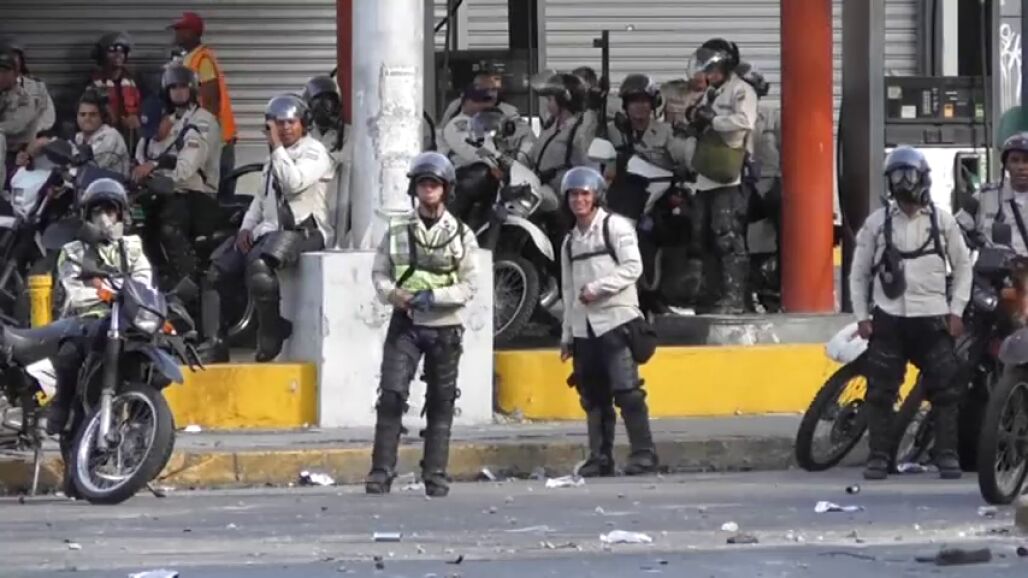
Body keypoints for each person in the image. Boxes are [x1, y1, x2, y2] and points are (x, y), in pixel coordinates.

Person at [849, 146, 972, 481]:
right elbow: (859, 273)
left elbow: (963, 267)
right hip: (889, 320)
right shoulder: (877, 223)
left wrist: (957, 310)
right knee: (880, 391)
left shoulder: (943, 221)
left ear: (924, 178)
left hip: (933, 320)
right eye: (897, 176)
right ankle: (879, 457)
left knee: (946, 390)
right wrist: (862, 316)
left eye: (910, 174)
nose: (904, 183)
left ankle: (946, 455)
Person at [366, 152, 479, 497]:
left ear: (446, 190)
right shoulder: (397, 230)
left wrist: (436, 297)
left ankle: (436, 474)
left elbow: (470, 285)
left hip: (445, 326)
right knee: (391, 395)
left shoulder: (461, 234)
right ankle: (381, 472)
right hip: (406, 322)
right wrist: (394, 295)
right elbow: (379, 272)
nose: (428, 190)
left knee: (441, 402)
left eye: (434, 184)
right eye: (422, 184)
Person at [200, 94, 333, 363]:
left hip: (305, 230)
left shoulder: (314, 151)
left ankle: (271, 334)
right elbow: (260, 200)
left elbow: (293, 183)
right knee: (216, 271)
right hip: (270, 231)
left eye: (290, 122)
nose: (285, 128)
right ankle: (216, 343)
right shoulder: (275, 158)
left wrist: (277, 149)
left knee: (259, 266)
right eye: (278, 123)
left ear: (303, 123)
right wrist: (246, 229)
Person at [559, 166, 659, 477]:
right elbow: (569, 290)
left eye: (584, 194)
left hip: (616, 321)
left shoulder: (614, 226)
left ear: (596, 196)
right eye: (573, 195)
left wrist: (599, 288)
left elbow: (633, 267)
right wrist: (567, 335)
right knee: (592, 397)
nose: (578, 200)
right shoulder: (570, 241)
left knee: (627, 391)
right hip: (585, 328)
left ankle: (643, 454)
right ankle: (600, 458)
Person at [45, 178, 153, 435]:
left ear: (121, 214)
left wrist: (103, 286)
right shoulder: (73, 252)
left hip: (127, 321)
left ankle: (144, 418)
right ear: (87, 215)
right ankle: (62, 404)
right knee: (68, 354)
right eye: (97, 211)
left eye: (110, 210)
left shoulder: (132, 248)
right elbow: (77, 293)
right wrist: (113, 292)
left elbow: (143, 285)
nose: (104, 218)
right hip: (86, 321)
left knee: (153, 358)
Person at [132, 64, 222, 290]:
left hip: (196, 193)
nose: (178, 92)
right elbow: (142, 156)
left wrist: (158, 168)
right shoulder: (166, 120)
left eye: (183, 86)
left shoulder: (201, 121)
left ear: (193, 89)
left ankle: (185, 281)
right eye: (173, 87)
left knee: (168, 227)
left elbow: (186, 167)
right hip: (162, 191)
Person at [684, 39, 758, 314]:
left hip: (729, 174)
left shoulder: (741, 90)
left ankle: (734, 297)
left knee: (727, 236)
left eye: (713, 69)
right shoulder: (712, 93)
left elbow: (745, 122)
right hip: (707, 174)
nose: (709, 74)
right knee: (703, 237)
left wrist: (713, 120)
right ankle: (710, 295)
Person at [170, 11, 237, 193]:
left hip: (216, 140)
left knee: (215, 196)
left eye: (180, 30)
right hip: (204, 137)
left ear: (192, 32)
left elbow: (210, 103)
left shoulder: (203, 59)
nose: (176, 34)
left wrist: (203, 137)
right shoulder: (189, 58)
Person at [17, 89, 130, 176]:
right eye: (82, 114)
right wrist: (28, 156)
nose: (87, 118)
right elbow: (64, 157)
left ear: (102, 117)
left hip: (113, 192)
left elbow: (82, 162)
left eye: (93, 114)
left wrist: (48, 143)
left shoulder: (111, 135)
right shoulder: (78, 137)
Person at [529, 72, 597, 215]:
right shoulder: (551, 126)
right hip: (541, 192)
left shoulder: (580, 131)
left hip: (562, 202)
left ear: (564, 100)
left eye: (550, 99)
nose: (547, 104)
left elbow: (589, 169)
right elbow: (534, 154)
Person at [302, 75, 350, 247]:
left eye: (329, 103)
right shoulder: (304, 136)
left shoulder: (349, 135)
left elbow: (346, 161)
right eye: (319, 104)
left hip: (338, 206)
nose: (324, 109)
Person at [968, 132, 1028, 255]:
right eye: (1015, 160)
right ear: (1006, 165)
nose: (1021, 167)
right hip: (998, 266)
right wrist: (980, 244)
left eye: (1026, 161)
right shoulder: (984, 197)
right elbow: (958, 229)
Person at [0, 46, 51, 189]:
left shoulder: (24, 99)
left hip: (16, 156)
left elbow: (14, 126)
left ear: (15, 73)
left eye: (4, 71)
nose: (0, 75)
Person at [89, 31, 142, 140]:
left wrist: (137, 118)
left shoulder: (134, 81)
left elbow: (146, 106)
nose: (118, 54)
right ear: (102, 55)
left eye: (121, 50)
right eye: (111, 50)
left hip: (131, 136)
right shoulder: (93, 84)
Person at [439, 67, 518, 127]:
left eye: (493, 89)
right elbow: (442, 130)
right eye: (485, 89)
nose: (491, 93)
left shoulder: (509, 111)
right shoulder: (457, 106)